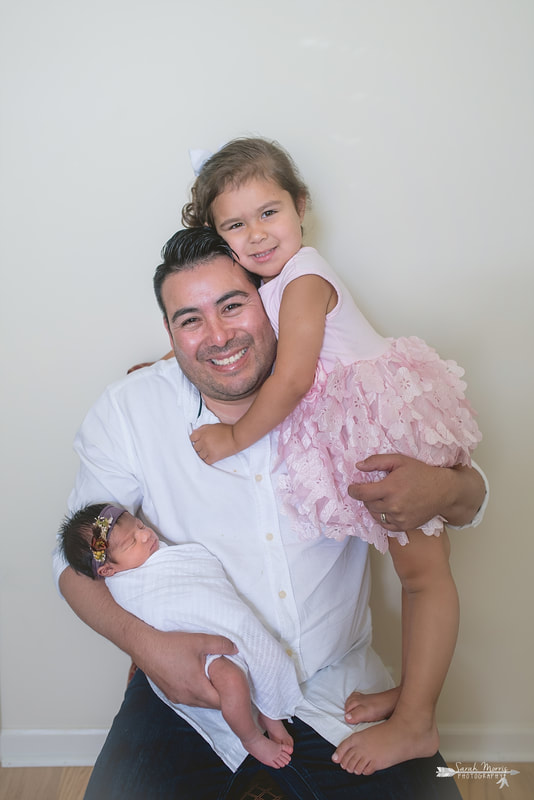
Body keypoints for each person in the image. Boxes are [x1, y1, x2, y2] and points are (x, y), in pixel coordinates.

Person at [54, 225, 487, 799]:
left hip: (339, 694)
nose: (218, 336)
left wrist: (442, 489)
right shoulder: (129, 412)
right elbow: (70, 565)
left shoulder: (342, 388)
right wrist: (149, 648)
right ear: (169, 331)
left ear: (268, 300)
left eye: (232, 305)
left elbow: (470, 497)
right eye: (190, 319)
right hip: (191, 692)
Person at [182, 138, 482, 774]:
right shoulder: (274, 285)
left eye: (270, 212)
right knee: (414, 573)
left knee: (423, 575)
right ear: (216, 234)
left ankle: (417, 724)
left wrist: (236, 438)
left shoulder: (305, 277)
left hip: (385, 433)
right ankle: (409, 697)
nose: (257, 234)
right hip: (362, 430)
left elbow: (288, 380)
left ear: (301, 206)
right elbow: (249, 345)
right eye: (235, 224)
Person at [59, 502, 305, 769]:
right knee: (232, 682)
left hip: (223, 623)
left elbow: (202, 575)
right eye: (131, 542)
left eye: (140, 526)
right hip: (194, 650)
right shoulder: (126, 585)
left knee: (265, 652)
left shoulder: (166, 557)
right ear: (108, 571)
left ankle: (272, 715)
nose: (145, 535)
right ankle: (251, 738)